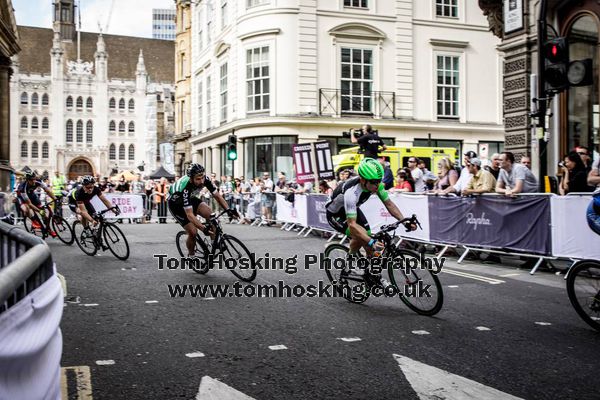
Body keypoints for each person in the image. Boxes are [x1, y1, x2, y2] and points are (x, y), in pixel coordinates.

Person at [325, 158, 416, 287]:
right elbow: (352, 225)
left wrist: (403, 221)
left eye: (379, 181)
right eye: (374, 182)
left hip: (351, 209)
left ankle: (372, 275)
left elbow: (389, 204)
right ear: (363, 180)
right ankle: (350, 262)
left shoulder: (375, 184)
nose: (377, 185)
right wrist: (371, 242)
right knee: (364, 238)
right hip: (336, 215)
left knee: (367, 237)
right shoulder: (351, 193)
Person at [167, 164, 238, 256]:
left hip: (190, 198)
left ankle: (214, 244)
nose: (201, 181)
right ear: (191, 179)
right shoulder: (185, 188)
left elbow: (217, 196)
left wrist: (228, 210)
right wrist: (203, 229)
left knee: (211, 216)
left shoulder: (205, 179)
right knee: (193, 232)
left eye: (202, 178)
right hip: (176, 205)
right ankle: (191, 256)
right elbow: (190, 215)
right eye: (198, 179)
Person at [16, 171, 57, 235]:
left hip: (32, 196)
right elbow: (29, 204)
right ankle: (34, 221)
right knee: (26, 209)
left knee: (44, 214)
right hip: (22, 198)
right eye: (31, 180)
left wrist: (55, 198)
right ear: (27, 180)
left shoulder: (38, 181)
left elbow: (48, 191)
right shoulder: (22, 188)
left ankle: (49, 229)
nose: (34, 181)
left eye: (34, 179)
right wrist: (39, 211)